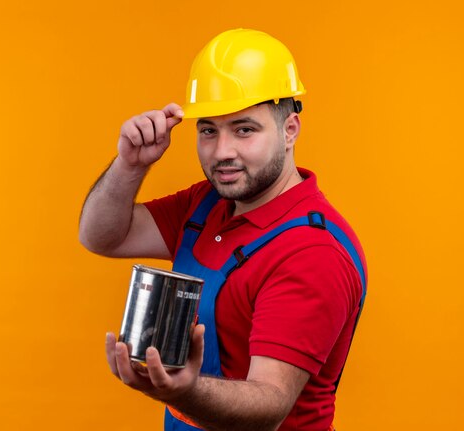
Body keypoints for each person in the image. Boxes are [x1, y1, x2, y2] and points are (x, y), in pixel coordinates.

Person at [79, 28, 367, 431]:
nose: (222, 152)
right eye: (209, 130)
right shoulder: (208, 203)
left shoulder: (312, 250)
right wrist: (130, 164)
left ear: (290, 130)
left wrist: (182, 391)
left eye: (244, 129)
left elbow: (270, 404)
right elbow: (102, 236)